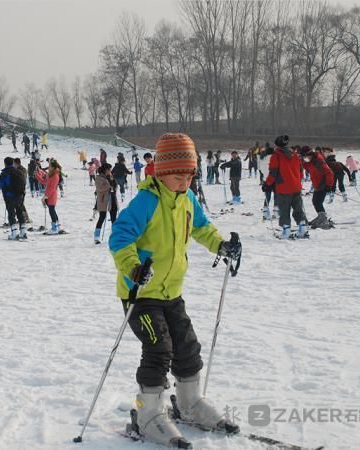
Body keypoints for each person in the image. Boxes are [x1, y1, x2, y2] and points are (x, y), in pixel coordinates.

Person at [108, 133, 240, 448]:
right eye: (178, 176)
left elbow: (202, 227)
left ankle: (188, 403)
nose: (184, 182)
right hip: (140, 294)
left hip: (171, 292)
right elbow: (120, 236)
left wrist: (221, 245)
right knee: (158, 348)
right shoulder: (146, 201)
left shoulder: (188, 200)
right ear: (162, 173)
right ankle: (148, 415)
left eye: (189, 176)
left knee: (186, 346)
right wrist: (133, 267)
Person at [263, 135, 308, 239]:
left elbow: (273, 173)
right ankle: (302, 229)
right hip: (296, 186)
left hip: (283, 187)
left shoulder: (276, 156)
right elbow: (301, 171)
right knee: (298, 208)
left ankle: (286, 231)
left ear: (276, 145)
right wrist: (297, 180)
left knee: (284, 209)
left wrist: (267, 184)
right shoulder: (295, 155)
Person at [0, 157, 28, 240]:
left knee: (11, 213)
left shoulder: (5, 173)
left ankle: (14, 232)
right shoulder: (19, 172)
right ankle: (23, 232)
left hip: (10, 196)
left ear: (5, 163)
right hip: (20, 195)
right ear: (13, 163)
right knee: (20, 212)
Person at [300, 146, 334, 229]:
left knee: (317, 202)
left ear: (310, 154)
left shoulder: (319, 161)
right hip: (317, 185)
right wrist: (302, 162)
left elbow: (329, 173)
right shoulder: (312, 161)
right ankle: (321, 217)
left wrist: (328, 185)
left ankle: (323, 219)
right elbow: (308, 166)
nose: (305, 158)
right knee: (316, 201)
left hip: (323, 185)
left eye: (305, 156)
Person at [36, 159, 62, 234]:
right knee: (52, 210)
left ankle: (55, 228)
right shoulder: (51, 174)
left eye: (50, 166)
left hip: (51, 195)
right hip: (48, 195)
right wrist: (37, 176)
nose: (48, 167)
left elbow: (52, 187)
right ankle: (57, 226)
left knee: (52, 210)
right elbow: (44, 182)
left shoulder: (55, 175)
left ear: (53, 167)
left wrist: (46, 196)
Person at [93, 163, 118, 243]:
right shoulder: (99, 177)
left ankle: (115, 236)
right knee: (102, 217)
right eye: (109, 169)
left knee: (114, 218)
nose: (110, 171)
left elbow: (114, 187)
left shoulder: (110, 177)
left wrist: (114, 183)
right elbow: (100, 188)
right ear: (106, 169)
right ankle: (96, 236)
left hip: (112, 198)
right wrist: (109, 186)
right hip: (104, 200)